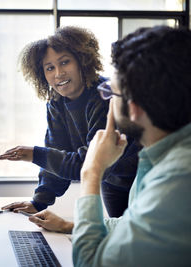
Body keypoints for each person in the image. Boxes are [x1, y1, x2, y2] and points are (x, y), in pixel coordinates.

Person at [29, 25, 191, 266]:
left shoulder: (176, 178)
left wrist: (92, 171)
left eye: (110, 93)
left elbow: (92, 262)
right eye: (50, 67)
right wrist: (66, 223)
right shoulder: (161, 160)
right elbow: (133, 223)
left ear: (133, 108)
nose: (107, 99)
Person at [0, 26, 140, 217]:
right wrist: (39, 201)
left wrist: (34, 154)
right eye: (50, 68)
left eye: (65, 62)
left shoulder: (105, 96)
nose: (58, 73)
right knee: (120, 238)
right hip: (113, 183)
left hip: (140, 178)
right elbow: (57, 149)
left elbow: (92, 162)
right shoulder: (56, 103)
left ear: (82, 61)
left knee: (139, 239)